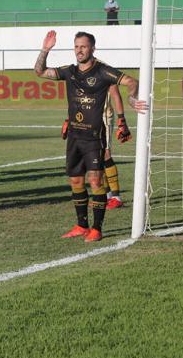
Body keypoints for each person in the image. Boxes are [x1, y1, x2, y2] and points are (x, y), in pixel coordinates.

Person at [34, 30, 147, 242]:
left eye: (83, 46)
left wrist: (132, 97)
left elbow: (131, 81)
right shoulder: (69, 72)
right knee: (76, 181)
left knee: (95, 180)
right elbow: (40, 72)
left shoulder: (103, 71)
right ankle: (81, 225)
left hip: (95, 136)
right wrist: (45, 50)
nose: (79, 50)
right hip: (74, 136)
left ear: (92, 48)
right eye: (76, 46)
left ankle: (97, 228)